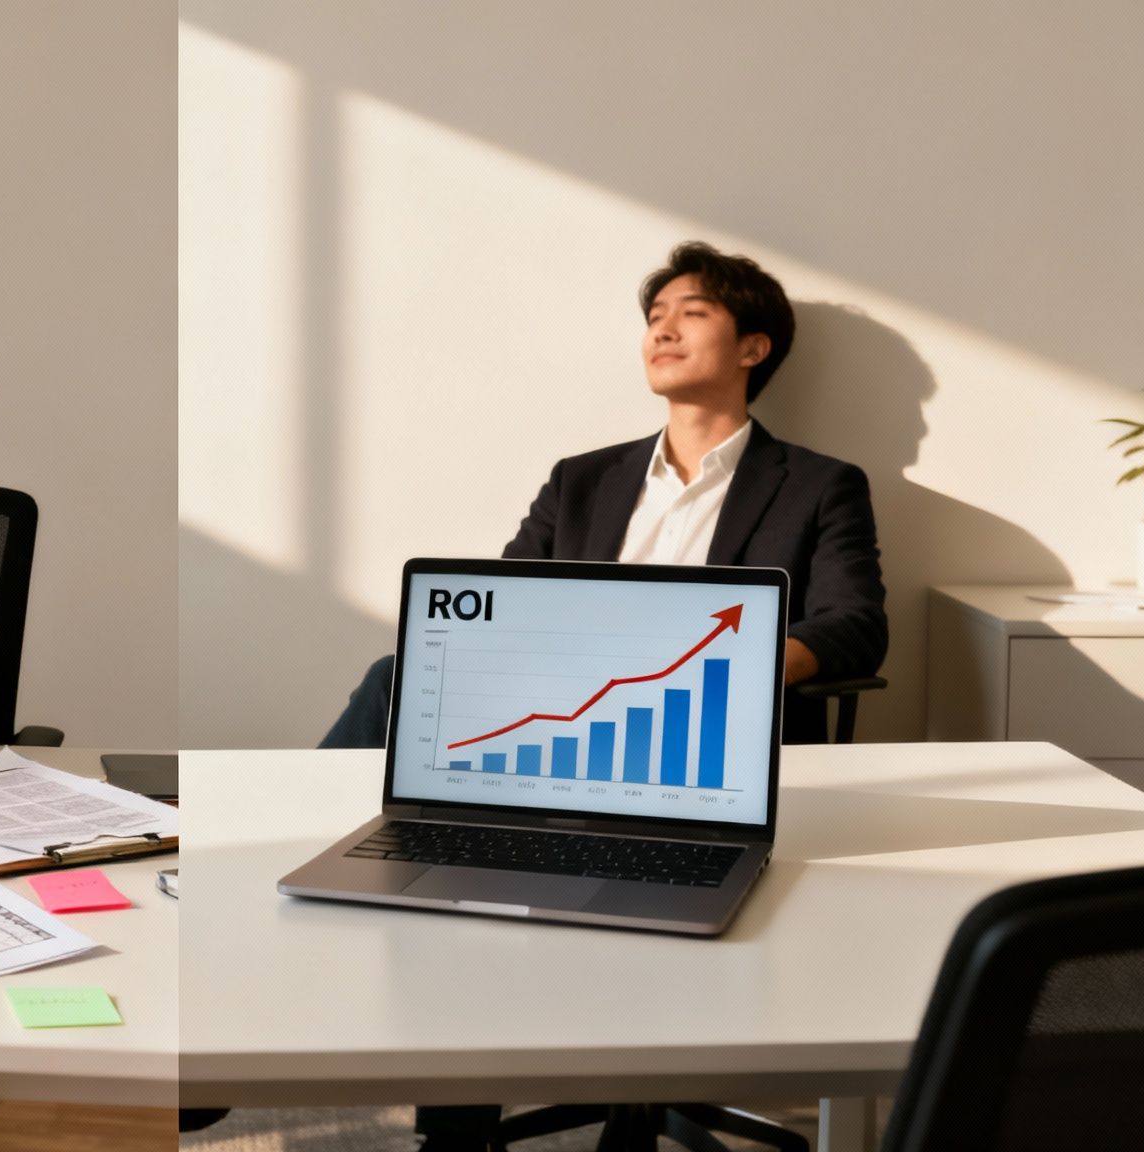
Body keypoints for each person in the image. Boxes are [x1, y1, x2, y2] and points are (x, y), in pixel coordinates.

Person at [321, 241, 889, 1152]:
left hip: (701, 739)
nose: (661, 327)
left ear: (754, 347)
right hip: (560, 735)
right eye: (653, 316)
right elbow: (507, 597)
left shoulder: (820, 484)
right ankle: (446, 1114)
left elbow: (854, 626)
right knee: (402, 689)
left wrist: (726, 670)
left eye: (691, 311)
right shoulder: (583, 477)